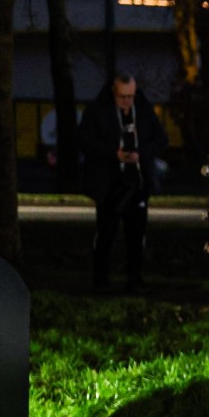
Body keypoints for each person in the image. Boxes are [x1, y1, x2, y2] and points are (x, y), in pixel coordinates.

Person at [80, 72, 168, 291]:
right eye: (122, 97)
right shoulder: (98, 111)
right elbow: (85, 141)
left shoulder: (143, 110)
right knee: (105, 234)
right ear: (113, 92)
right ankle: (101, 281)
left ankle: (134, 279)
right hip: (109, 183)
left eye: (130, 96)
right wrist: (115, 154)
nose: (127, 102)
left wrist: (141, 153)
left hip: (137, 183)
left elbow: (161, 139)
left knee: (136, 235)